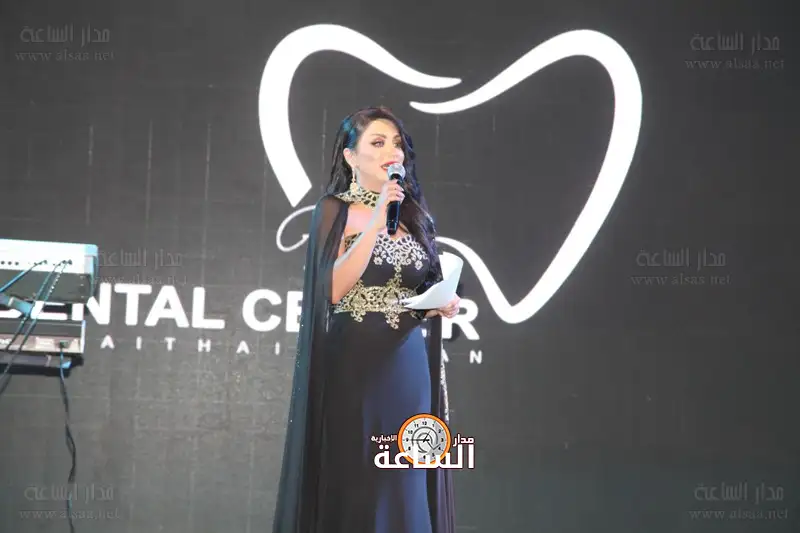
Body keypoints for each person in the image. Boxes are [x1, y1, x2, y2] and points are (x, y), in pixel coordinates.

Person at [271, 106, 459, 533]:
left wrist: (439, 304)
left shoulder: (415, 217)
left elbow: (415, 292)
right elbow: (332, 289)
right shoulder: (334, 210)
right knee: (359, 479)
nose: (392, 152)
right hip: (356, 363)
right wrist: (375, 220)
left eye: (397, 144)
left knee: (405, 478)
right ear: (351, 156)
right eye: (378, 142)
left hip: (408, 365)